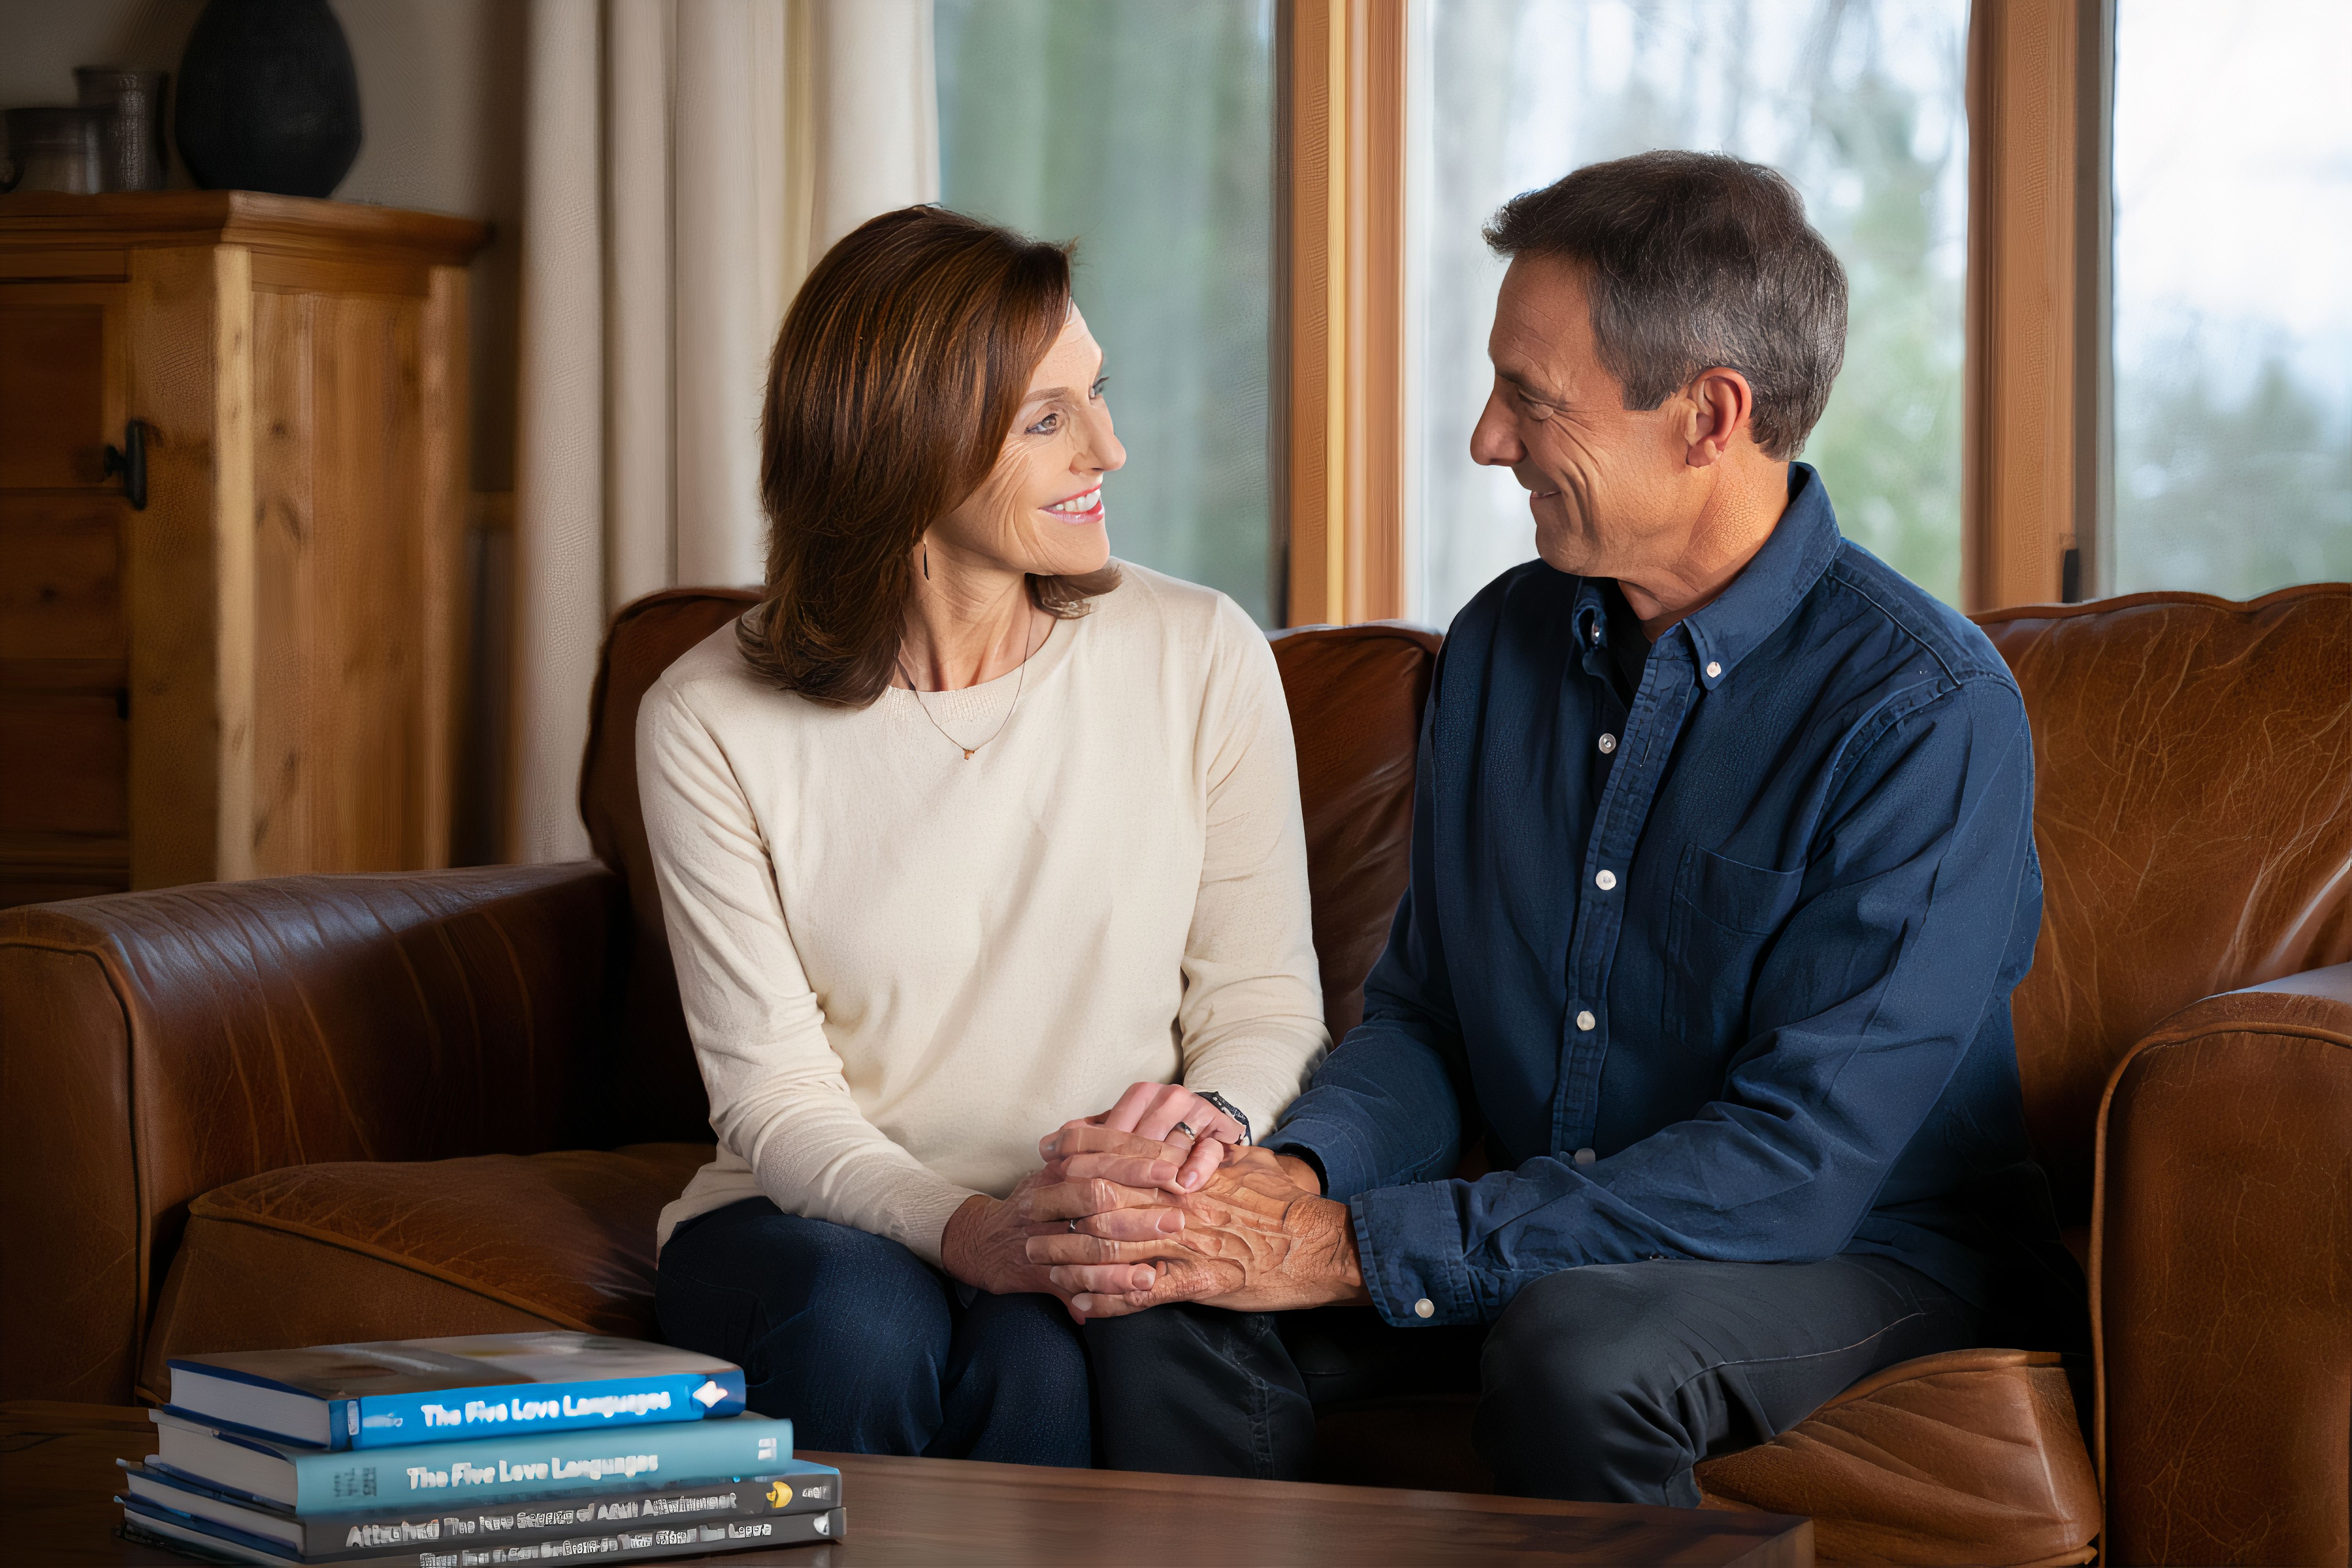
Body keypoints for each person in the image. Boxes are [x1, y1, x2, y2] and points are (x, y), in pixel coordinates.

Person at [1024, 151, 2081, 1503]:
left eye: (1533, 398)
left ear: (1709, 416)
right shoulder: (1500, 648)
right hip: (1545, 1245)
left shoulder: (1924, 712)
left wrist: (1354, 1247)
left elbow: (1794, 1165)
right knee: (1162, 1294)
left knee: (1579, 1350)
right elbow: (1426, 1025)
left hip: (1863, 1254)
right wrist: (1283, 1181)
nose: (1487, 439)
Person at [643, 205, 1328, 1467]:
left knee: (1040, 1361)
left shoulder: (1200, 654)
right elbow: (775, 1099)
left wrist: (1197, 1134)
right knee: (863, 1324)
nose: (1110, 448)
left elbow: (1264, 1002)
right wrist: (968, 1230)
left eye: (1096, 394)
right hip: (812, 1222)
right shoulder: (707, 716)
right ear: (900, 447)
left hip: (1089, 1218)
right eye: (1046, 420)